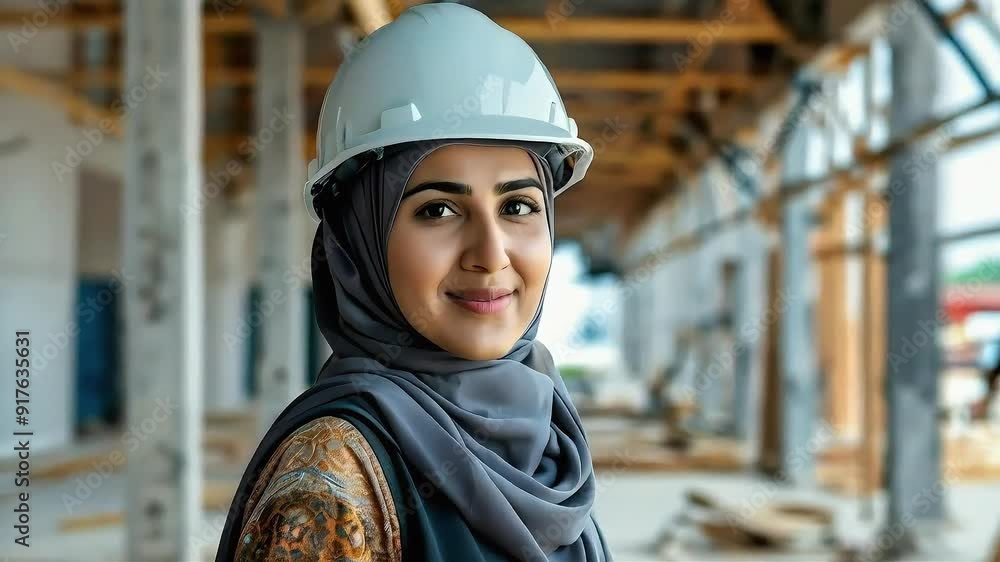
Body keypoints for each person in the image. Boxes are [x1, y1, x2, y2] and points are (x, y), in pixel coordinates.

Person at [215, 3, 612, 561]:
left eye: (518, 206)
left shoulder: (552, 437)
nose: (490, 255)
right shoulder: (333, 480)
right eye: (438, 211)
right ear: (357, 244)